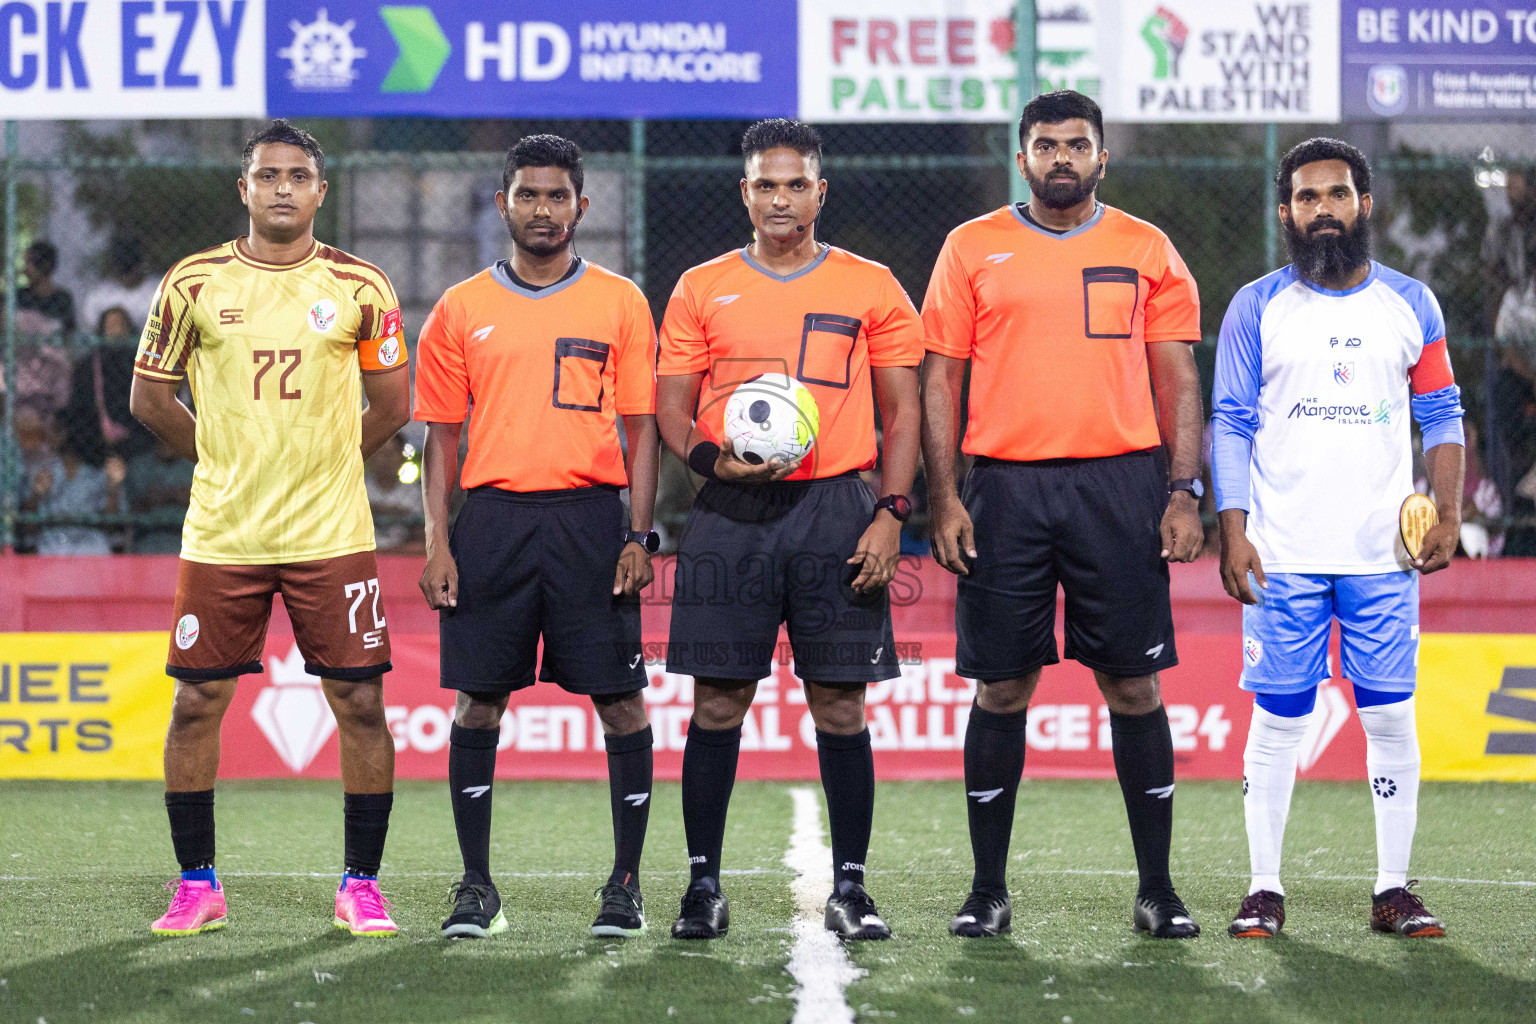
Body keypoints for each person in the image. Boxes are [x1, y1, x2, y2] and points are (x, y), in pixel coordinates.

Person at [921, 90, 1205, 940]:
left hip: (1120, 486)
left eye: (1077, 144)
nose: (1061, 158)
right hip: (1003, 489)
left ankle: (1157, 889)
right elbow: (940, 379)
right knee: (1003, 685)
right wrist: (943, 498)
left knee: (1132, 681)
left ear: (1102, 157)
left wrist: (1184, 491)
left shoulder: (1146, 247)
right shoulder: (971, 247)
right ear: (1022, 159)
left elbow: (1178, 380)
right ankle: (986, 891)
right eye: (1045, 144)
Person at [129, 119, 411, 939]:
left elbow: (392, 406)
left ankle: (361, 886)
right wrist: (220, 458)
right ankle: (197, 884)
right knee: (196, 704)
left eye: (297, 176)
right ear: (243, 189)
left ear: (322, 191)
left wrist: (324, 463)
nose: (282, 187)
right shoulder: (191, 283)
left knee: (359, 701)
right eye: (267, 175)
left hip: (332, 530)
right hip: (224, 532)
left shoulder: (365, 286)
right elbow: (150, 398)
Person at [656, 119, 923, 942]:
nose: (780, 198)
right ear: (745, 193)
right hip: (730, 512)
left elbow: (904, 407)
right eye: (765, 185)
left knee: (840, 706)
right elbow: (670, 404)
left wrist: (890, 513)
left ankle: (851, 887)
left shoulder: (871, 285)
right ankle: (704, 886)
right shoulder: (702, 287)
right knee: (719, 703)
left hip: (838, 509)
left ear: (820, 191)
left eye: (795, 183)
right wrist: (711, 460)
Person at [1213, 137, 1464, 940]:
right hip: (1282, 554)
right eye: (1308, 197)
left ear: (1365, 205)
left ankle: (1393, 888)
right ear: (1285, 212)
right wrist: (1234, 528)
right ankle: (1264, 889)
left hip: (1379, 559)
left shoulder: (1412, 305)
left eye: (1339, 194)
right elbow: (1232, 424)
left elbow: (1442, 415)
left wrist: (1450, 513)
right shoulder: (1257, 306)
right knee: (1280, 719)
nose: (1324, 209)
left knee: (1390, 717)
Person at [415, 135, 661, 940]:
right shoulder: (459, 308)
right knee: (478, 701)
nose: (543, 210)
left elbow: (642, 430)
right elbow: (440, 438)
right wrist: (438, 543)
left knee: (621, 704)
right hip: (491, 525)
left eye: (558, 197)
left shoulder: (621, 301)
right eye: (529, 195)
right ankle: (476, 885)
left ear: (581, 207)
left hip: (592, 521)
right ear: (504, 205)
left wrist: (639, 534)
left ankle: (624, 884)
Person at [22, 419, 123, 555]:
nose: (48, 435)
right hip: (52, 547)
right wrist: (36, 494)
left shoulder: (98, 474)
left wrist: (112, 488)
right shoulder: (43, 472)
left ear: (66, 435)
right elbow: (28, 528)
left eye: (55, 431)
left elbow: (112, 527)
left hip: (90, 548)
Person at [127, 436, 195, 554]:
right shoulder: (139, 465)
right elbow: (137, 505)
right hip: (148, 537)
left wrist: (161, 495)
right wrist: (177, 495)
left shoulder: (195, 465)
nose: (167, 443)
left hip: (189, 538)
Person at [83, 233, 160, 330]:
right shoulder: (99, 295)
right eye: (122, 269)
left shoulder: (159, 290)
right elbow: (92, 329)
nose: (126, 275)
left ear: (140, 264)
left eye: (130, 268)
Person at [366, 433, 424, 554]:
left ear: (402, 458)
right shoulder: (359, 490)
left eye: (391, 454)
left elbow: (421, 535)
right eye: (381, 453)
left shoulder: (415, 493)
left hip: (404, 556)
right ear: (371, 457)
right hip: (365, 554)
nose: (386, 460)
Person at [16, 240, 77, 336]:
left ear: (44, 266)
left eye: (29, 263)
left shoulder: (61, 299)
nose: (25, 269)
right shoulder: (20, 296)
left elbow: (69, 334)